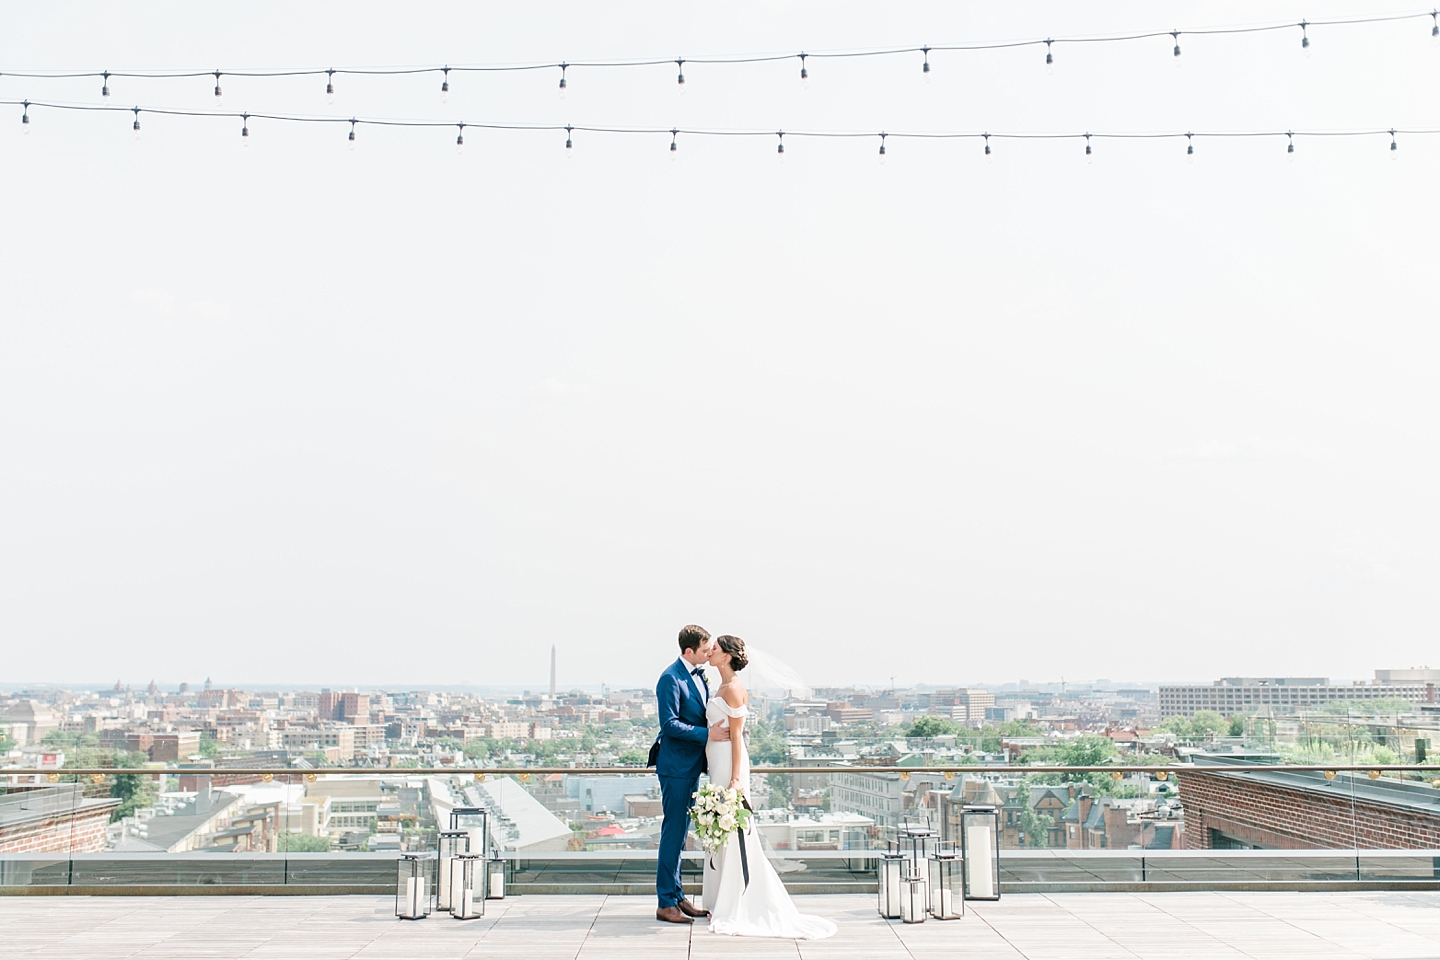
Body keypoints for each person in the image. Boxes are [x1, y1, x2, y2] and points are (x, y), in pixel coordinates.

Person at [701, 635, 836, 940]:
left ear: (726, 657)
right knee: (720, 830)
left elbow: (737, 738)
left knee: (733, 829)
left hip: (730, 764)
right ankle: (720, 898)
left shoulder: (734, 689)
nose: (710, 652)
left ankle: (737, 899)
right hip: (716, 763)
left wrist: (736, 779)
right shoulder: (720, 685)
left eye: (715, 650)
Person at [654, 624, 731, 924]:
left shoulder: (698, 676)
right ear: (689, 651)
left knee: (680, 834)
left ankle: (677, 896)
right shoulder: (670, 678)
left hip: (691, 766)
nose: (709, 652)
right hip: (675, 768)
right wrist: (707, 734)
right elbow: (669, 725)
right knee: (673, 834)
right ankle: (665, 902)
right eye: (705, 649)